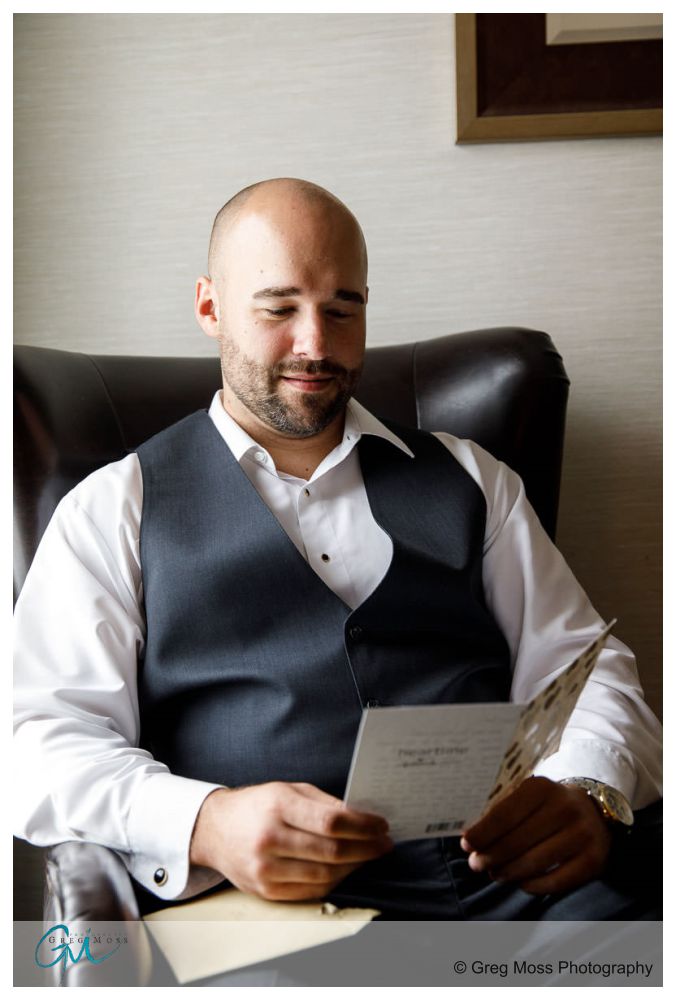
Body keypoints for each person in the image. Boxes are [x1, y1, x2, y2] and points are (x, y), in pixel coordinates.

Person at [14, 178, 662, 923]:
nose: (315, 345)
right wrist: (206, 822)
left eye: (342, 309)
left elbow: (585, 667)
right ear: (210, 307)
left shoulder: (475, 479)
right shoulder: (111, 509)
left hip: (529, 895)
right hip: (266, 919)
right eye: (278, 308)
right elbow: (40, 741)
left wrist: (588, 786)